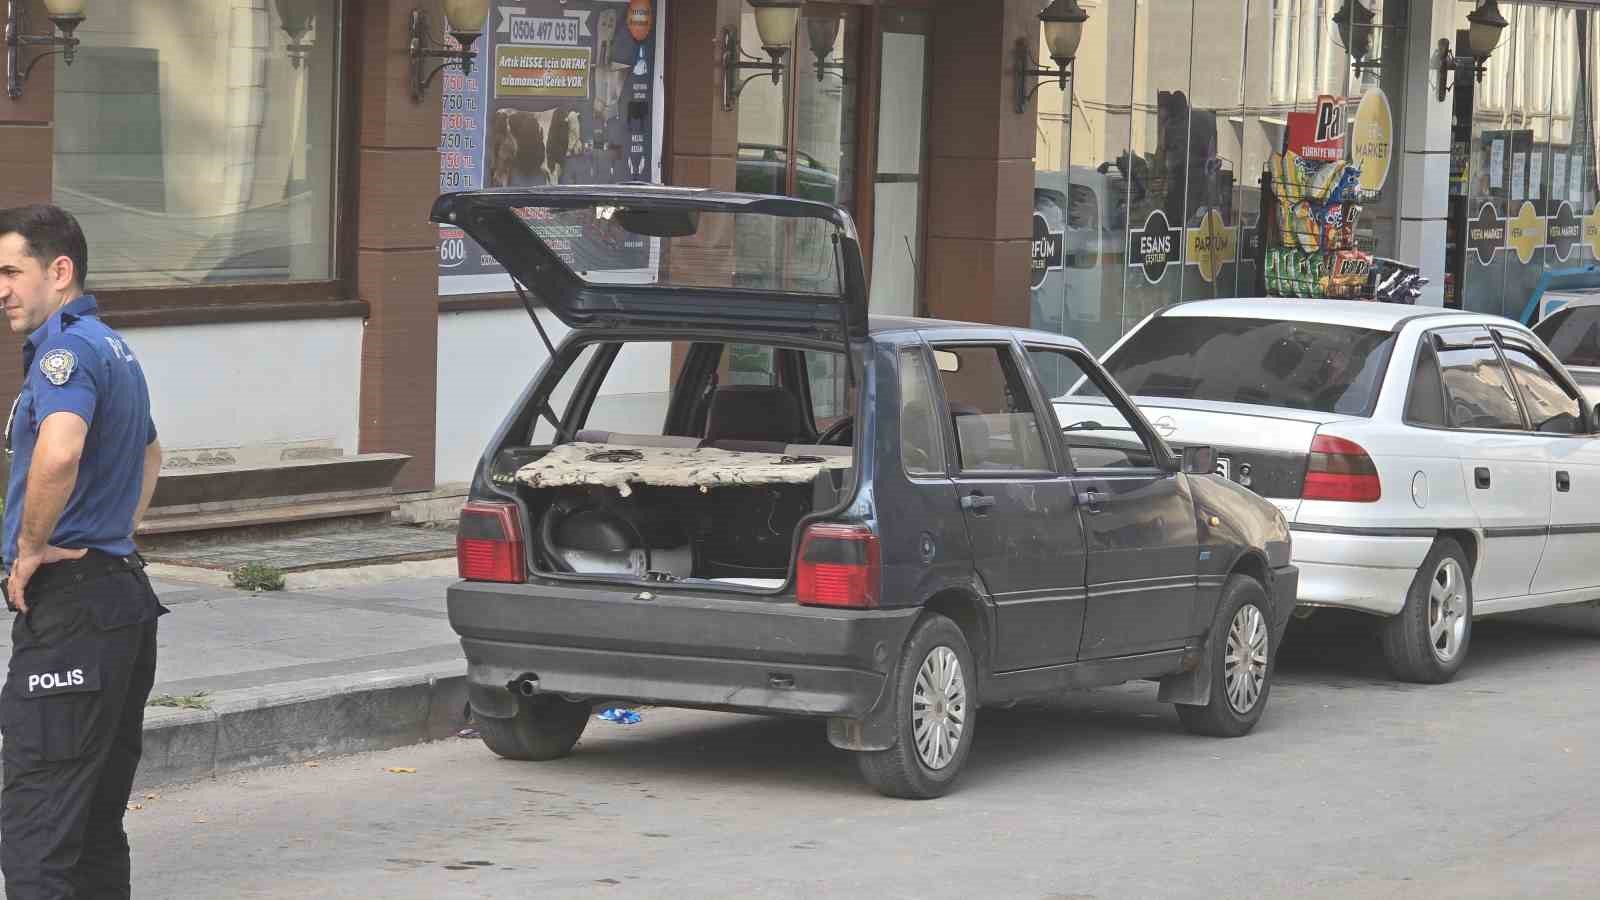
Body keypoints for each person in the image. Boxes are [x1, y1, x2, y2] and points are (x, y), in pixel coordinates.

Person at [0, 204, 164, 899]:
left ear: (58, 272)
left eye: (11, 271)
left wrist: (33, 549)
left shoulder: (66, 353)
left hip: (77, 610)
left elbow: (60, 449)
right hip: (121, 599)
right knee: (94, 818)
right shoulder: (112, 348)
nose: (1, 289)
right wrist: (115, 529)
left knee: (38, 820)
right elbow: (153, 451)